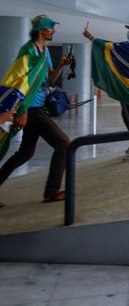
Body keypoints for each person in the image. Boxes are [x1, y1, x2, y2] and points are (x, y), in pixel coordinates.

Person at [0, 15, 73, 208]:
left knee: (25, 153)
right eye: (51, 29)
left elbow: (50, 78)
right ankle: (51, 191)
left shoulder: (45, 51)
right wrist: (22, 110)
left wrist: (61, 66)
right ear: (42, 30)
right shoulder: (28, 50)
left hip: (38, 107)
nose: (53, 31)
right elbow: (19, 81)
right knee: (63, 142)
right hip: (30, 108)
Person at [83, 22, 129, 161]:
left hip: (128, 89)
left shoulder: (128, 47)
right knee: (126, 114)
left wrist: (90, 36)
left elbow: (108, 46)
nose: (128, 33)